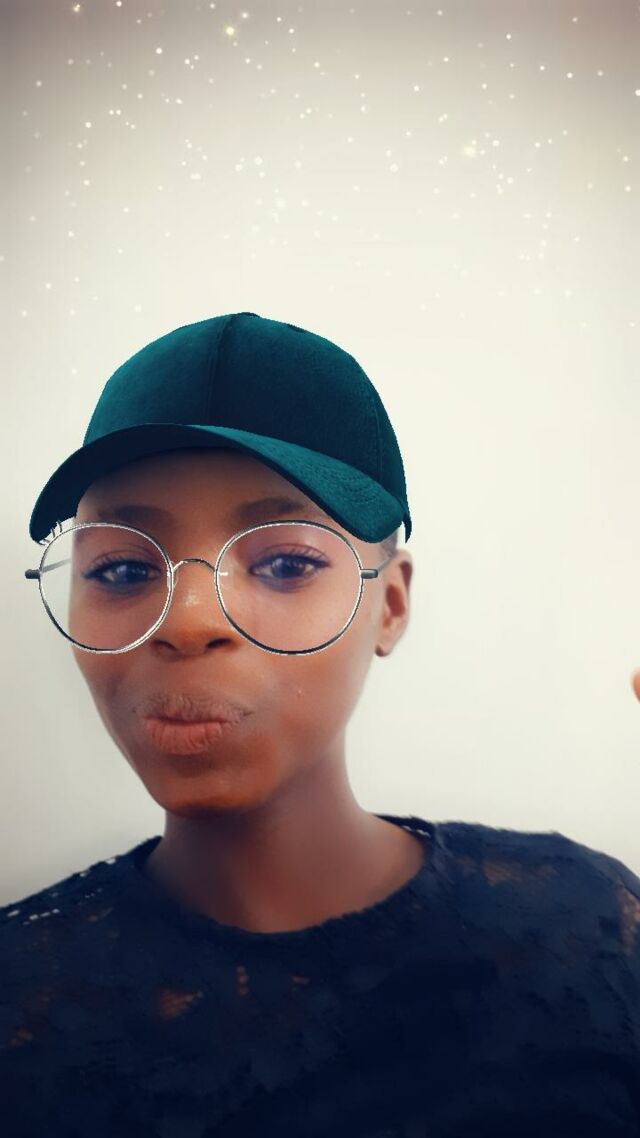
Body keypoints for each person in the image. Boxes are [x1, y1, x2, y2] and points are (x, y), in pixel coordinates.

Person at [1, 311, 639, 1137]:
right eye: (122, 569)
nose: (188, 619)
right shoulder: (22, 999)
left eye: (284, 563)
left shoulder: (584, 930)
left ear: (390, 604)